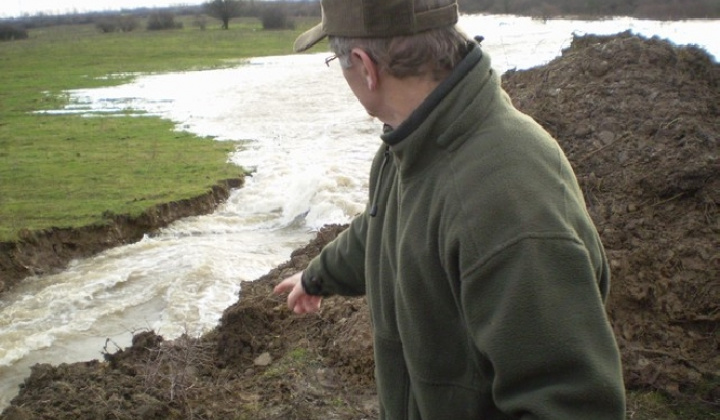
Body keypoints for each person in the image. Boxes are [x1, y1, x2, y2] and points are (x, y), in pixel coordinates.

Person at [273, 0, 626, 418]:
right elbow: (380, 227)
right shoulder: (411, 141)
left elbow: (568, 405)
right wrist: (317, 277)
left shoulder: (507, 200)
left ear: (366, 68)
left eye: (337, 61)